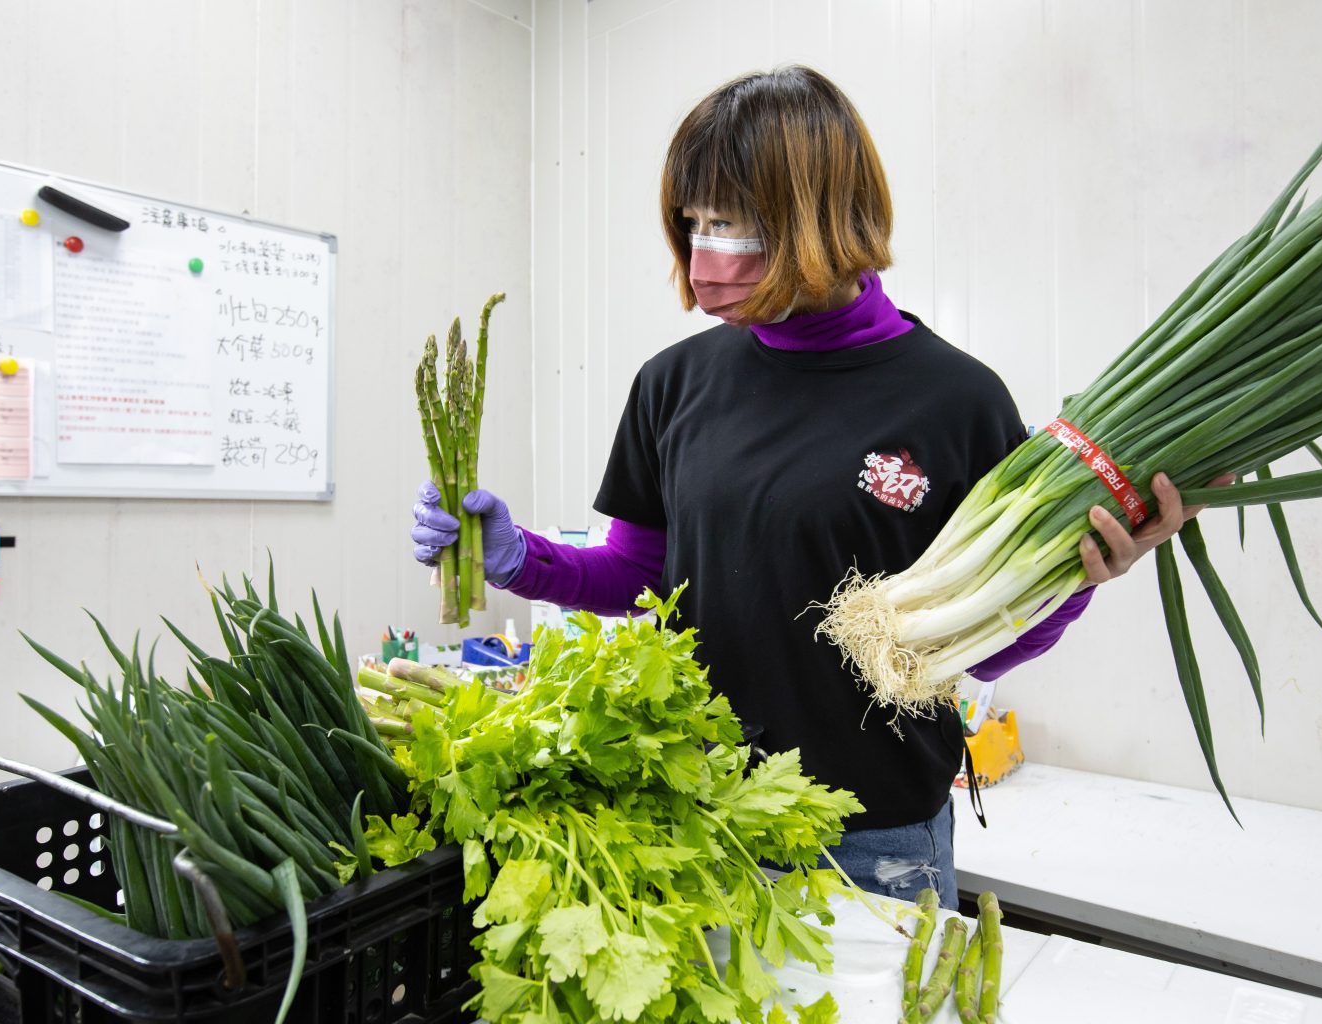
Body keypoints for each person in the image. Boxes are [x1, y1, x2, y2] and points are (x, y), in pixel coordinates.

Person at [410, 66, 1214, 908]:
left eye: (731, 220)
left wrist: (1073, 581)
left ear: (823, 213)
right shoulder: (673, 383)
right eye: (692, 222)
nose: (703, 253)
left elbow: (981, 647)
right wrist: (517, 559)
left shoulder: (956, 401)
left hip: (874, 842)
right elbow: (643, 578)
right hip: (696, 817)